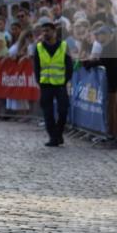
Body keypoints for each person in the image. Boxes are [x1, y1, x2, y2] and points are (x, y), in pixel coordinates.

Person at [33, 19, 73, 147]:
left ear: (54, 32)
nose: (45, 33)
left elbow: (69, 65)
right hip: (46, 85)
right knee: (47, 113)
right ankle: (53, 137)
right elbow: (36, 67)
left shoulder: (64, 46)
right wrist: (39, 81)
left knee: (63, 110)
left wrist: (65, 80)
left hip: (60, 84)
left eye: (47, 30)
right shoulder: (39, 47)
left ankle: (58, 133)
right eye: (43, 31)